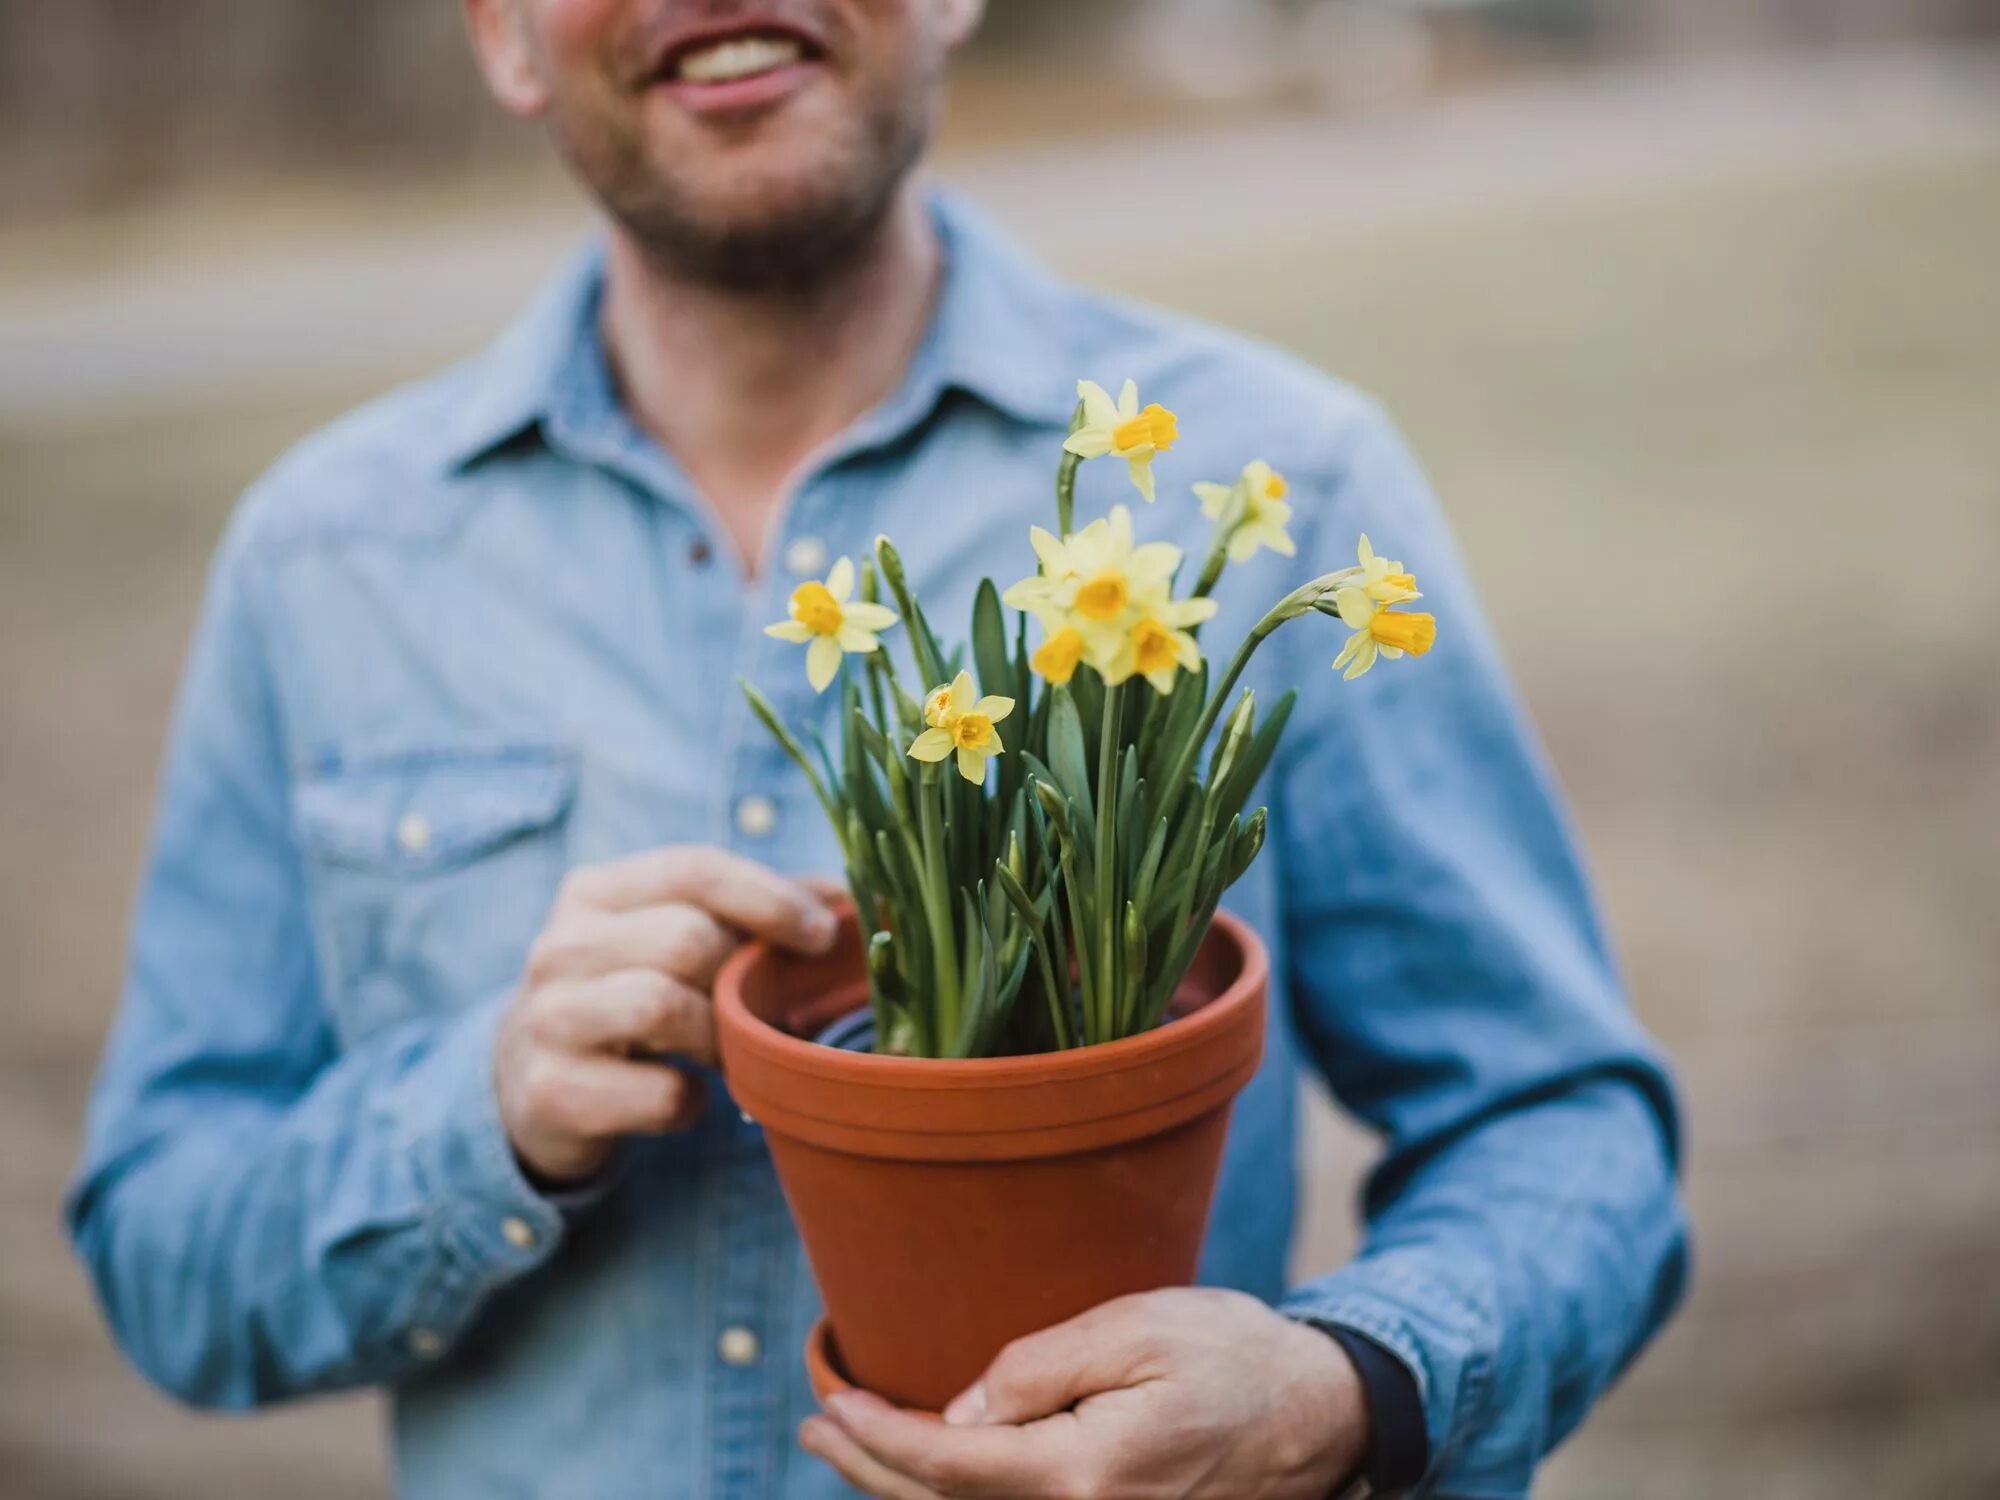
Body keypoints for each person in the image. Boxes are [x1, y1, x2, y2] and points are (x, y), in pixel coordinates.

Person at [66, 2, 1689, 1496]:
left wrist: (1339, 1389)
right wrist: (475, 1118)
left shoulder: (1274, 487)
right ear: (503, 32)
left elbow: (1567, 1131)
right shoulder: (326, 555)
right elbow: (163, 1252)